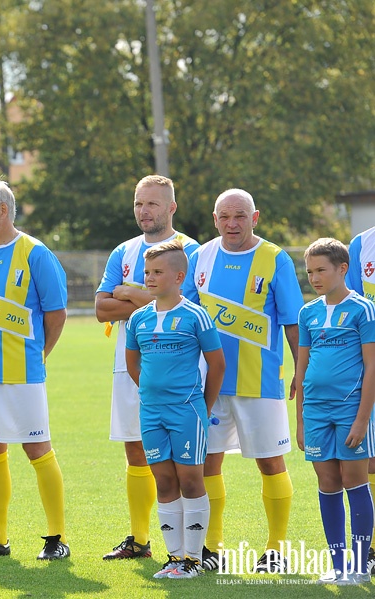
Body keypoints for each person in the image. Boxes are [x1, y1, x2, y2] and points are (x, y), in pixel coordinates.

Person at [183, 188, 304, 572]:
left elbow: (292, 322)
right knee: (207, 464)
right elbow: (183, 313)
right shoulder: (198, 256)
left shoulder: (274, 259)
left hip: (260, 382)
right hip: (208, 384)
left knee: (270, 463)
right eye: (224, 216)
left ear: (255, 218)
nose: (231, 224)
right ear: (214, 218)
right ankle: (212, 547)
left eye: (240, 216)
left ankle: (276, 549)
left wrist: (302, 371)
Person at [0, 181, 70, 560]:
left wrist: (39, 356)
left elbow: (56, 315)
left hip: (22, 373)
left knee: (37, 449)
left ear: (3, 210)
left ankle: (57, 538)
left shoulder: (35, 253)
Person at [95, 175, 199, 560]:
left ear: (171, 207)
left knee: (184, 457)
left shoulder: (191, 250)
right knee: (136, 452)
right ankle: (139, 540)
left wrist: (129, 292)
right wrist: (153, 297)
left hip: (180, 369)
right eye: (139, 204)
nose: (144, 211)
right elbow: (100, 309)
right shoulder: (122, 251)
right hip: (130, 365)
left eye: (153, 204)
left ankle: (194, 543)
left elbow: (187, 306)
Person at [125, 240, 225, 579]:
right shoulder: (139, 317)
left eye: (157, 272)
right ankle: (174, 557)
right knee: (164, 480)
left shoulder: (195, 315)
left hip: (188, 412)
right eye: (147, 272)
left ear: (179, 276)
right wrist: (155, 394)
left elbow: (218, 365)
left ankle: (193, 560)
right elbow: (132, 363)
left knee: (191, 480)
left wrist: (201, 406)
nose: (149, 278)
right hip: (151, 412)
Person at [297, 238, 375, 585]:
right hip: (315, 412)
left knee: (354, 481)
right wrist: (300, 421)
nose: (314, 277)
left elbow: (373, 366)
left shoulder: (363, 309)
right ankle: (339, 565)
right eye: (310, 271)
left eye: (321, 270)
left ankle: (360, 565)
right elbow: (301, 371)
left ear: (343, 269)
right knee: (327, 483)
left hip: (350, 410)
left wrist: (362, 419)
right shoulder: (307, 312)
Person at [344, 225, 375, 573]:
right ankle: (373, 549)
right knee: (372, 459)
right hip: (370, 364)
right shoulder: (361, 244)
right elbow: (352, 307)